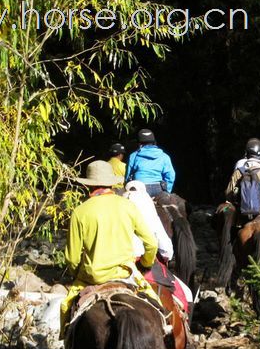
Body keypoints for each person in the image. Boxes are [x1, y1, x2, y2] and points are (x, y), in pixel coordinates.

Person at [60, 160, 161, 336]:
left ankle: (66, 340)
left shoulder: (80, 211)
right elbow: (151, 243)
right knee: (155, 303)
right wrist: (145, 264)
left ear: (88, 186)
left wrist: (77, 274)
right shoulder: (128, 206)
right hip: (125, 274)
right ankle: (165, 329)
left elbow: (72, 258)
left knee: (65, 307)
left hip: (92, 278)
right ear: (111, 184)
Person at [224, 137, 260, 233]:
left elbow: (229, 194)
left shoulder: (238, 172)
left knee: (229, 231)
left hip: (241, 214)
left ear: (246, 153)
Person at [124, 180, 174, 265]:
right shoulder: (147, 202)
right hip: (144, 253)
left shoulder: (123, 200)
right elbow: (158, 230)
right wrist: (167, 254)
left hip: (127, 254)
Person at [125, 128, 175, 197]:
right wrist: (167, 191)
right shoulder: (164, 156)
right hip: (158, 188)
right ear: (154, 142)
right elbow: (171, 175)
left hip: (138, 187)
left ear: (139, 144)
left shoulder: (134, 155)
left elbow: (128, 175)